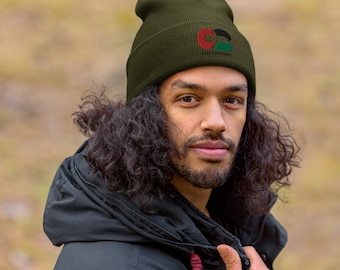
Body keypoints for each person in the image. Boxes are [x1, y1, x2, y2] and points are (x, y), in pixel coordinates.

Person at [43, 0, 300, 269]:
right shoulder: (113, 263)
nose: (216, 122)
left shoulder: (224, 223)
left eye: (232, 100)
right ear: (144, 113)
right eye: (189, 98)